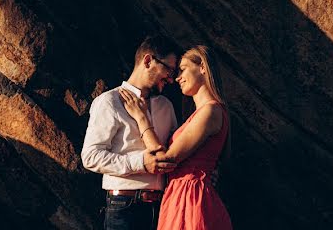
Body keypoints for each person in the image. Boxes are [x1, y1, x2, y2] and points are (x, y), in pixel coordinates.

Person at [118, 45, 232, 230]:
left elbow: (168, 159)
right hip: (181, 194)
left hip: (191, 198)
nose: (177, 78)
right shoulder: (201, 113)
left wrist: (141, 118)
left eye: (183, 69)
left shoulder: (211, 111)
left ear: (202, 66)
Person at [82, 35, 181, 230]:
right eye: (168, 69)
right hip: (123, 208)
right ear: (148, 61)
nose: (171, 79)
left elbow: (176, 151)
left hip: (162, 207)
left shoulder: (166, 106)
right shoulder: (109, 101)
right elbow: (90, 156)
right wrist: (140, 163)